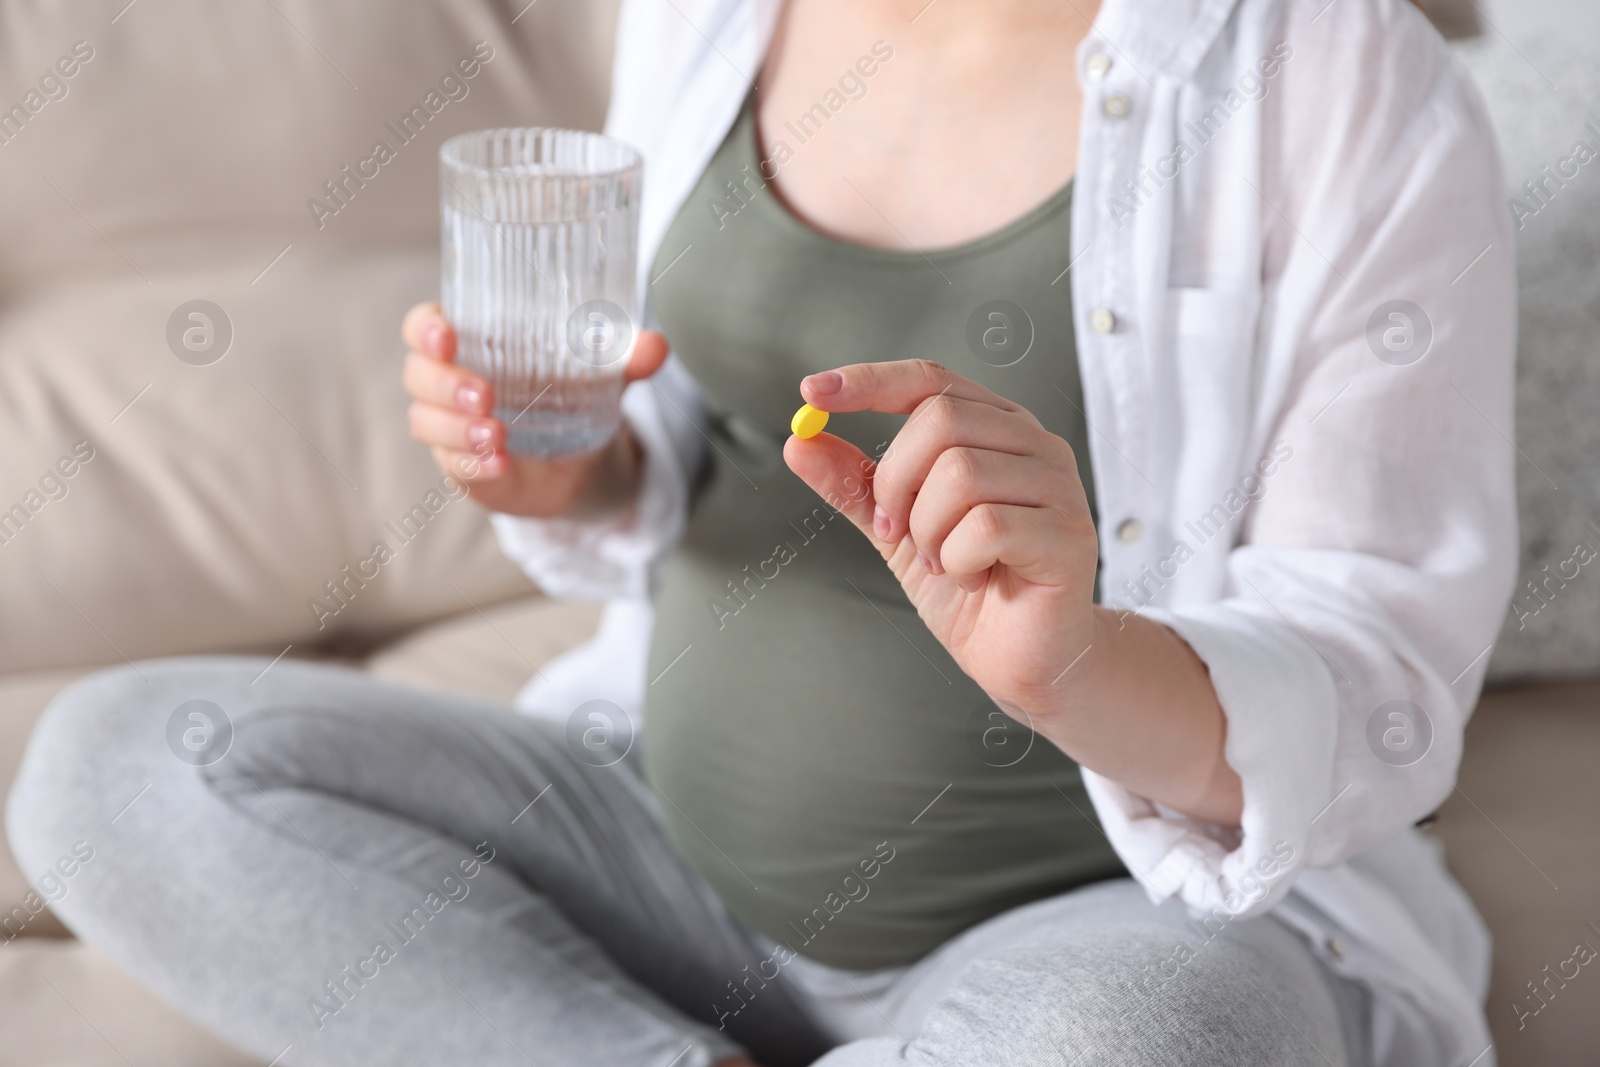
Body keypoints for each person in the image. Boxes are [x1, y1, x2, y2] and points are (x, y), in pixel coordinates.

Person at [8, 0, 1515, 1064]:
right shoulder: (712, 9)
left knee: (1139, 1048)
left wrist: (1079, 658)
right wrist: (572, 473)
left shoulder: (1337, 77)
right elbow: (682, 438)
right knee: (113, 770)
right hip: (657, 849)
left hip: (1109, 922)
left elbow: (1380, 667)